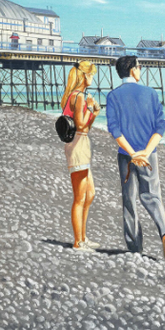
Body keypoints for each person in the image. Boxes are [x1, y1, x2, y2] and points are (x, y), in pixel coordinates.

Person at [105, 55, 165, 262]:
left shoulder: (113, 96)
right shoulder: (150, 93)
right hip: (148, 155)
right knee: (152, 196)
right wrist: (146, 152)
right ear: (133, 70)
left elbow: (114, 129)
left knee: (129, 200)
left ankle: (135, 247)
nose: (140, 69)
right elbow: (160, 125)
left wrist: (133, 154)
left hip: (126, 156)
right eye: (139, 66)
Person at [61, 61, 100, 251]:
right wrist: (90, 108)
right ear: (84, 75)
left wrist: (94, 113)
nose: (92, 77)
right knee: (79, 197)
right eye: (91, 74)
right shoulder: (79, 97)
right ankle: (78, 242)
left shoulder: (74, 95)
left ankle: (83, 237)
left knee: (89, 194)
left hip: (80, 144)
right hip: (78, 146)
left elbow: (85, 127)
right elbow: (81, 125)